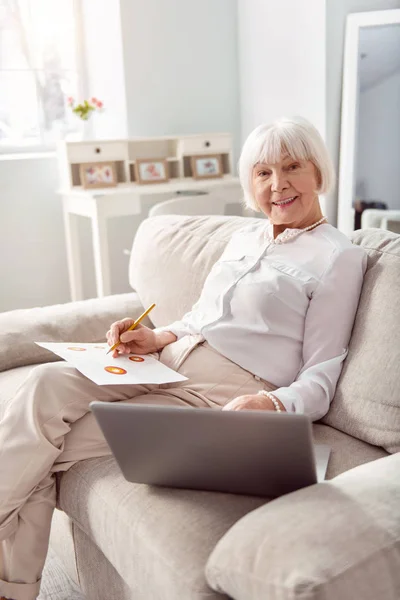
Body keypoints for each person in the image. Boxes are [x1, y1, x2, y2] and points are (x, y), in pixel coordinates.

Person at [0, 116, 367, 600]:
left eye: (292, 167)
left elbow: (321, 374)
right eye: (262, 173)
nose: (278, 185)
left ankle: (13, 590)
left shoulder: (339, 257)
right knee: (45, 384)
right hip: (170, 358)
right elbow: (202, 316)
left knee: (51, 448)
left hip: (223, 388)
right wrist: (157, 335)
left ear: (318, 172)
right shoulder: (244, 239)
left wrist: (272, 405)